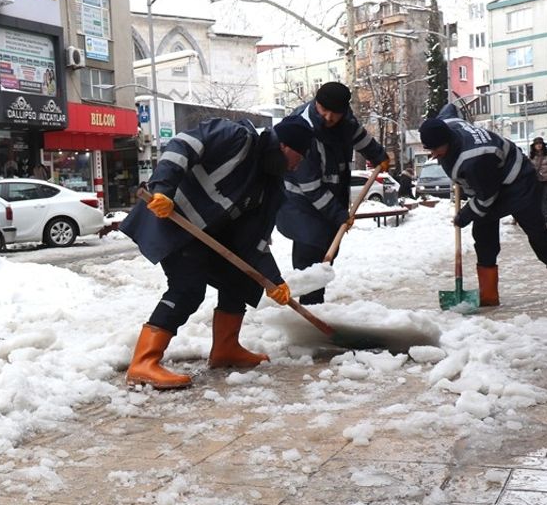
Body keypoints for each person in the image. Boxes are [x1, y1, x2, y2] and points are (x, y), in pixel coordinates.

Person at [120, 117, 314, 389]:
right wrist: (163, 189)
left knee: (240, 280)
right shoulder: (236, 137)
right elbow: (182, 145)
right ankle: (143, 362)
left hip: (206, 237)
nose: (299, 165)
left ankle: (226, 349)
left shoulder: (269, 186)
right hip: (171, 218)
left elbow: (252, 240)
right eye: (300, 156)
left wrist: (273, 279)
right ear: (285, 146)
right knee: (187, 288)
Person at [419, 106, 547, 308]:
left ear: (446, 140)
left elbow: (487, 198)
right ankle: (488, 295)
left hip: (518, 183)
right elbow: (450, 108)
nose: (433, 155)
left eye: (435, 149)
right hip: (488, 183)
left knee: (538, 234)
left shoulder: (474, 159)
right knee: (484, 238)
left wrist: (465, 215)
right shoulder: (449, 124)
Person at [276, 81, 389, 305]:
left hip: (330, 196)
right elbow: (311, 186)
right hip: (300, 202)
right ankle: (311, 306)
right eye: (323, 110)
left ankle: (315, 302)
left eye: (334, 113)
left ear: (344, 111)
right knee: (310, 251)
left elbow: (359, 136)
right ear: (316, 103)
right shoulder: (303, 129)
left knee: (328, 250)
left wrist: (378, 154)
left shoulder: (345, 121)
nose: (328, 117)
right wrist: (339, 214)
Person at [527, 138, 547, 222]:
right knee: (537, 198)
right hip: (536, 179)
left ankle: (546, 216)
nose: (539, 145)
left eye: (540, 143)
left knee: (546, 198)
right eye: (537, 144)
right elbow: (529, 166)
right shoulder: (532, 155)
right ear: (534, 146)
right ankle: (539, 215)